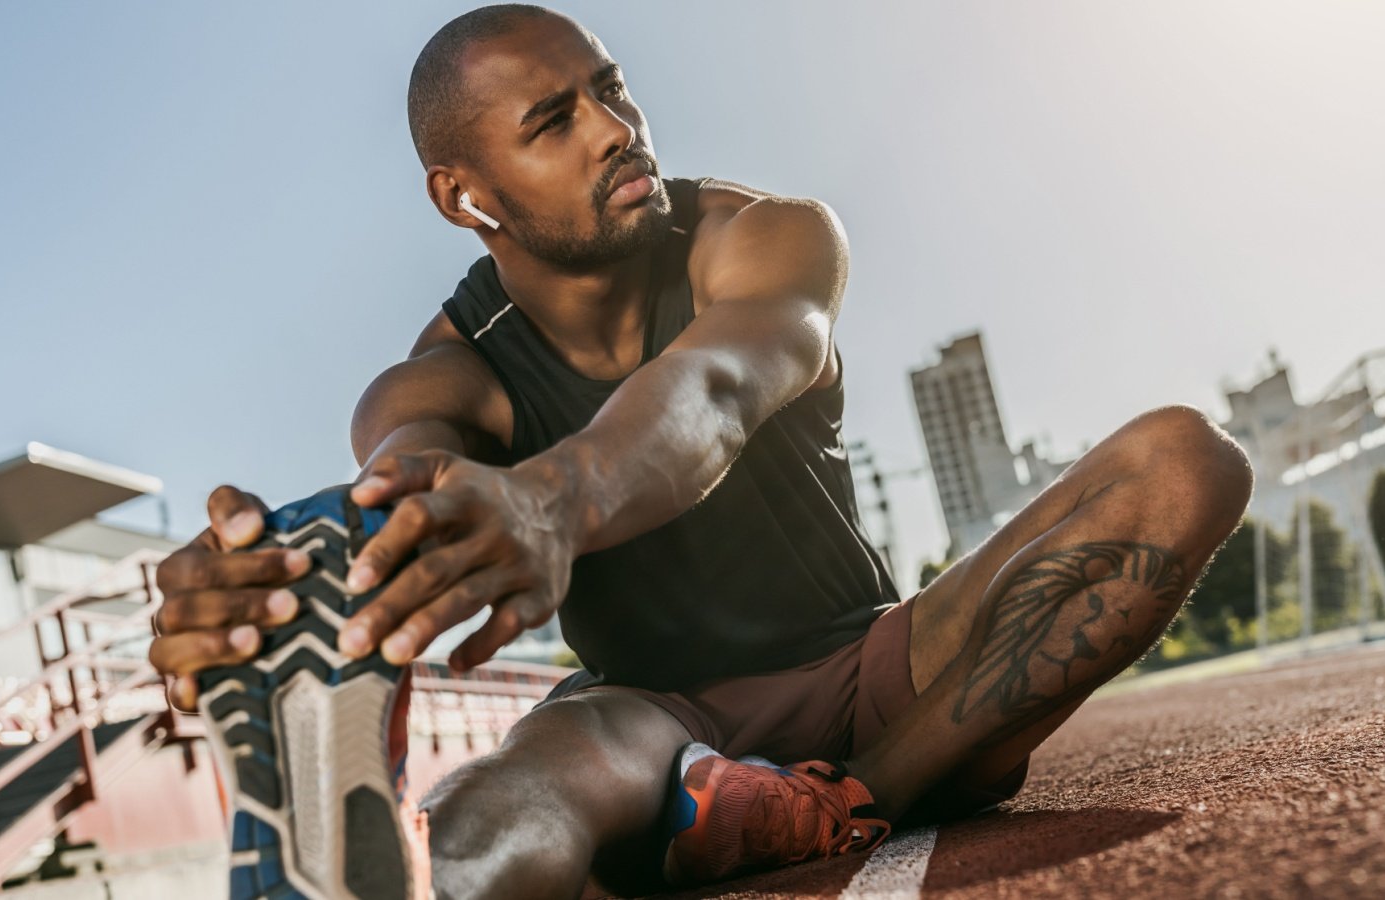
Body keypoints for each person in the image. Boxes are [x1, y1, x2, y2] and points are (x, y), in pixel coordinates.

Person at [147, 5, 1253, 897]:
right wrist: (273, 582)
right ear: (463, 196)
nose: (615, 128)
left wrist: (555, 499)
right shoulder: (440, 376)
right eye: (552, 121)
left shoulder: (766, 235)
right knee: (514, 798)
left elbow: (715, 390)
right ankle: (410, 885)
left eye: (610, 88)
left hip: (879, 668)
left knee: (1184, 461)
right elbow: (405, 480)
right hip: (648, 720)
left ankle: (843, 799)